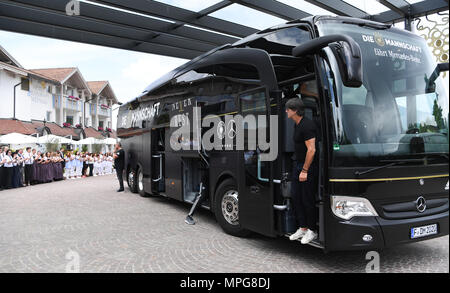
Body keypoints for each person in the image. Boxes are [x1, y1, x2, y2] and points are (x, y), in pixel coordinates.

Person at [285, 97, 319, 244]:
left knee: (307, 199)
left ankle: (312, 230)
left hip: (307, 167)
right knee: (296, 197)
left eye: (288, 109)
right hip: (297, 164)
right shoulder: (297, 125)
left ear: (295, 111)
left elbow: (311, 150)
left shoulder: (307, 125)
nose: (286, 111)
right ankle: (303, 228)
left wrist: (305, 170)